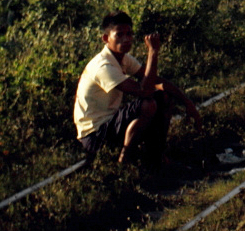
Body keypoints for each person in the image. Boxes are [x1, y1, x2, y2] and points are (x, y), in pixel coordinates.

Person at [73, 12, 203, 171]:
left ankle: (155, 159)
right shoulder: (103, 66)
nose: (126, 39)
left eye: (129, 34)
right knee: (147, 104)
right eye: (119, 35)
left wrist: (187, 102)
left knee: (164, 97)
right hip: (94, 136)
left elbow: (158, 81)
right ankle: (124, 165)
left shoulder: (122, 58)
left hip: (109, 123)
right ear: (106, 39)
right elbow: (144, 91)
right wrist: (153, 52)